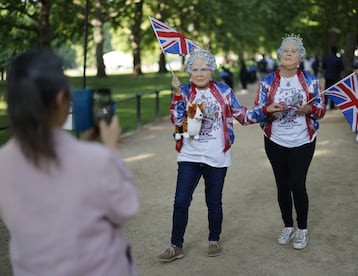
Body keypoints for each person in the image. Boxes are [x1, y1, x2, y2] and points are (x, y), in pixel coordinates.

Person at [0, 50, 139, 275]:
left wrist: (83, 144)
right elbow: (126, 208)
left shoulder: (3, 163)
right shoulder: (95, 160)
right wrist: (111, 149)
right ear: (60, 99)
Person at [157, 48, 279, 262]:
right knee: (180, 201)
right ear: (188, 71)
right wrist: (177, 96)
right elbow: (177, 122)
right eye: (195, 69)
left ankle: (214, 239)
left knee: (214, 201)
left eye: (204, 68)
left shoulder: (223, 91)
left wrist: (266, 111)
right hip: (189, 156)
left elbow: (242, 115)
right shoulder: (184, 91)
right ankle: (176, 245)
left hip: (216, 156)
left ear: (212, 70)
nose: (200, 73)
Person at [253, 34, 326, 250]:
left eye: (294, 51)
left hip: (303, 140)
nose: (289, 54)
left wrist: (310, 109)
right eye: (285, 50)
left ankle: (302, 229)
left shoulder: (310, 80)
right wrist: (268, 110)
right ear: (279, 55)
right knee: (282, 185)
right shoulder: (267, 81)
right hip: (275, 140)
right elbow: (258, 111)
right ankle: (288, 225)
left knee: (297, 184)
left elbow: (321, 109)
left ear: (300, 57)